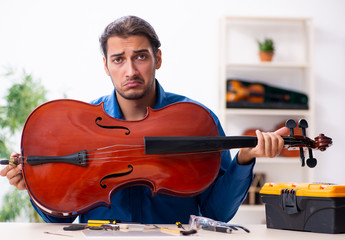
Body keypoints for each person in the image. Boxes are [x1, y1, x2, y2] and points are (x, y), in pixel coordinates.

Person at [0, 15, 288, 224]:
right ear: (105, 65)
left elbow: (216, 214)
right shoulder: (82, 122)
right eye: (118, 59)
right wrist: (37, 186)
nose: (130, 71)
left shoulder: (195, 120)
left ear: (157, 59)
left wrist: (244, 159)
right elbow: (62, 221)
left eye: (140, 57)